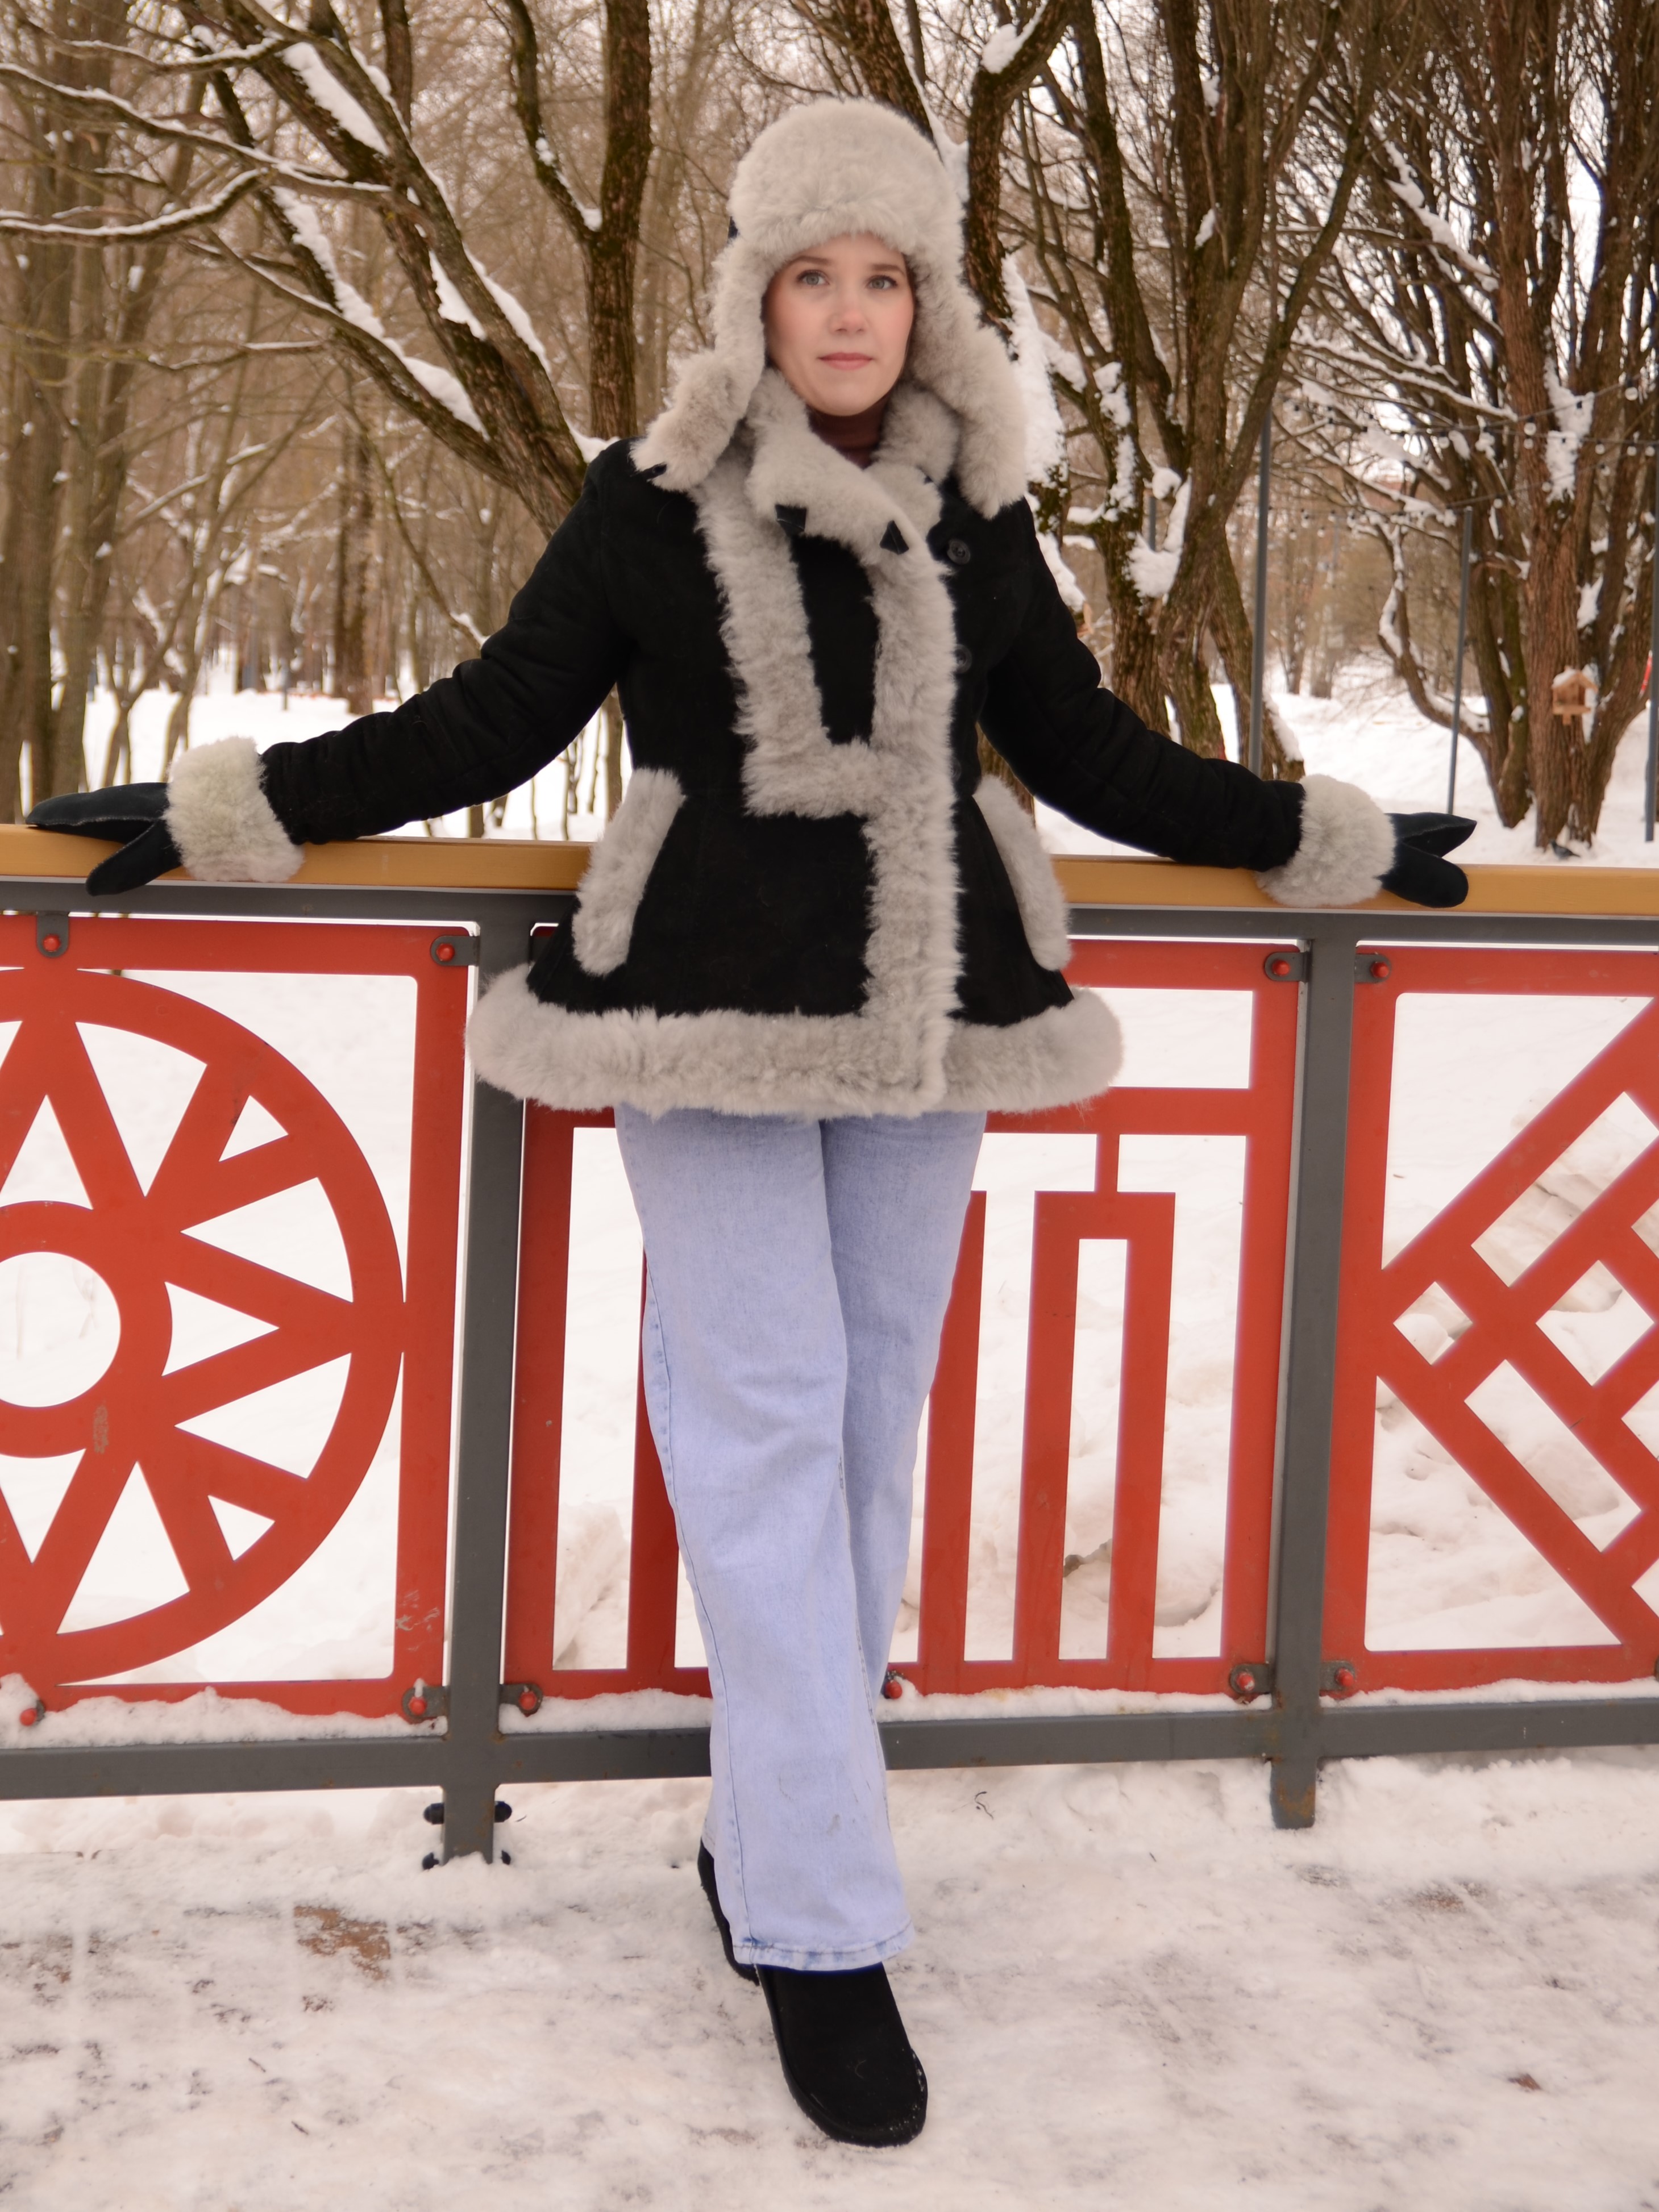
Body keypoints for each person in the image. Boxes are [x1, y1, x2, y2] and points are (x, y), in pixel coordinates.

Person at [34, 97, 1471, 2151]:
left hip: (932, 1024)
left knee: (863, 1435)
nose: (851, 310)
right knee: (772, 1423)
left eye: (886, 275)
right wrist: (231, 806)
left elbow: (1088, 748)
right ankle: (817, 1924)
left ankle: (767, 1830)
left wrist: (1329, 835)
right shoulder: (650, 498)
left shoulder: (979, 510)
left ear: (928, 301)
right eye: (815, 274)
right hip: (703, 1015)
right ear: (758, 297)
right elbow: (488, 720)